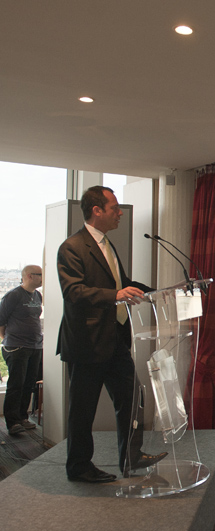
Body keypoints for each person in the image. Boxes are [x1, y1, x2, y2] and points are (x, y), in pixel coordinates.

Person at [57, 186, 166, 483]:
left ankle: (131, 457)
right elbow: (73, 292)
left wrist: (156, 293)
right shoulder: (72, 247)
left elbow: (122, 283)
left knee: (132, 399)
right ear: (97, 210)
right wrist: (115, 294)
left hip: (115, 339)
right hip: (87, 343)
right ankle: (79, 466)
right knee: (83, 410)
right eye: (115, 208)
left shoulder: (107, 244)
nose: (120, 213)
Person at [0, 265, 44, 435]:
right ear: (29, 276)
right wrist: (8, 340)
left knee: (29, 383)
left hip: (35, 346)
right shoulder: (14, 295)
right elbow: (1, 320)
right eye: (40, 274)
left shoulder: (37, 295)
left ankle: (22, 417)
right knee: (16, 384)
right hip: (17, 346)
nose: (42, 277)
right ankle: (12, 423)